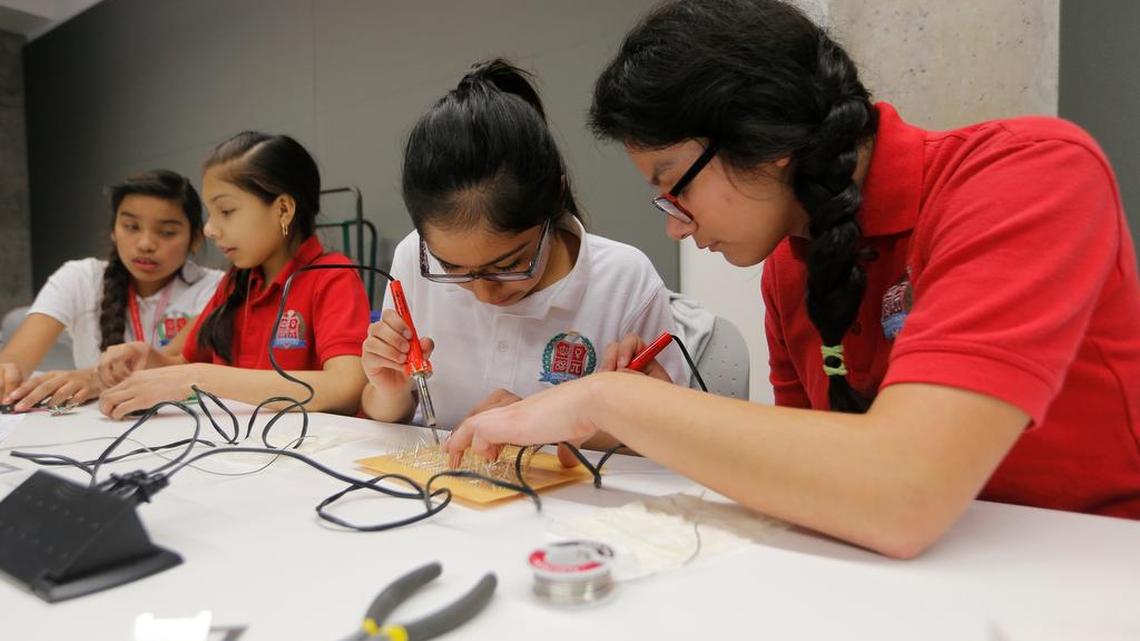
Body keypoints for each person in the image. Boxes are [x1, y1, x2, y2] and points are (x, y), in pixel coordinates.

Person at [445, 0, 1140, 557]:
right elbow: (813, 485)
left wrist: (608, 400)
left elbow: (902, 492)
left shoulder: (1030, 176)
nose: (675, 227)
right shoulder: (788, 271)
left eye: (673, 188)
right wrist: (655, 422)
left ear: (765, 141)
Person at [361, 60, 686, 451]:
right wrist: (388, 388)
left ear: (554, 199)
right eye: (453, 269)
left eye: (509, 265)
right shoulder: (413, 258)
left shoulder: (623, 281)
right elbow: (388, 414)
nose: (484, 292)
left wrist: (558, 425)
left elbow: (672, 437)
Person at [97, 132, 369, 418]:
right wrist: (150, 359)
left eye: (226, 211)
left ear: (284, 209)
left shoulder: (331, 276)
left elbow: (346, 386)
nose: (210, 229)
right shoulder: (236, 282)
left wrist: (202, 378)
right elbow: (185, 362)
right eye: (211, 214)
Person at [0, 170, 221, 411]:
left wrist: (97, 379)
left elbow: (184, 366)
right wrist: (8, 372)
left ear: (196, 239)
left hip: (185, 424)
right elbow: (16, 358)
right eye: (131, 226)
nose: (145, 244)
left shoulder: (216, 287)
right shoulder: (80, 278)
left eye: (167, 232)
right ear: (114, 231)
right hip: (92, 427)